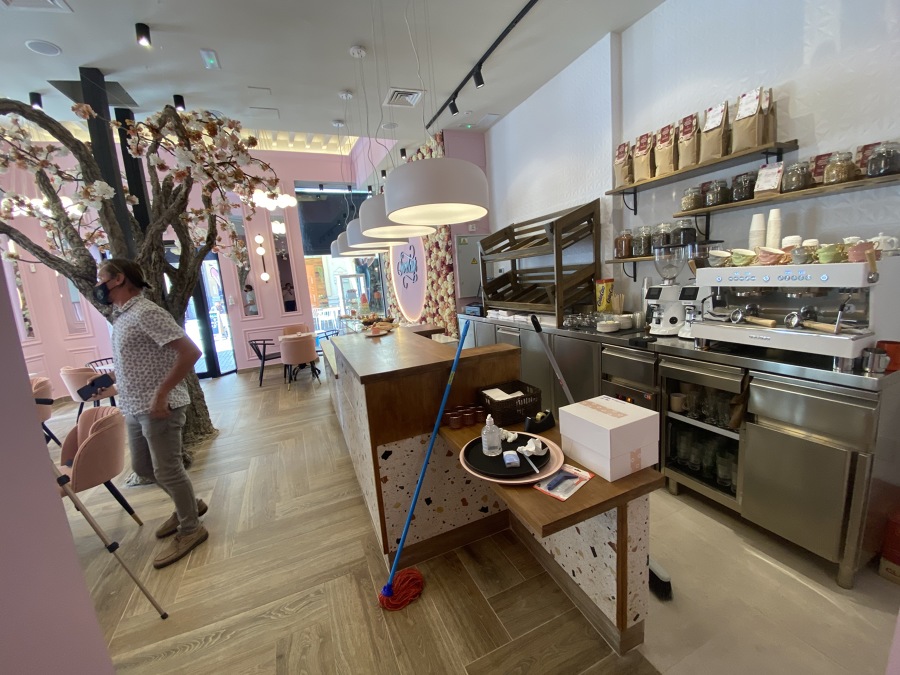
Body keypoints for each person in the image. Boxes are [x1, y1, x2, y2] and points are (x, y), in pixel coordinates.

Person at [91, 258, 208, 569]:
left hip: (160, 407)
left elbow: (191, 352)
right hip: (134, 404)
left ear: (118, 279)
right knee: (144, 468)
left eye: (101, 278)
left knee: (168, 469)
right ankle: (190, 505)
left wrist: (162, 393)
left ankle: (191, 528)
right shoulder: (122, 317)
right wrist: (113, 383)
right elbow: (139, 361)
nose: (97, 285)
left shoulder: (146, 312)